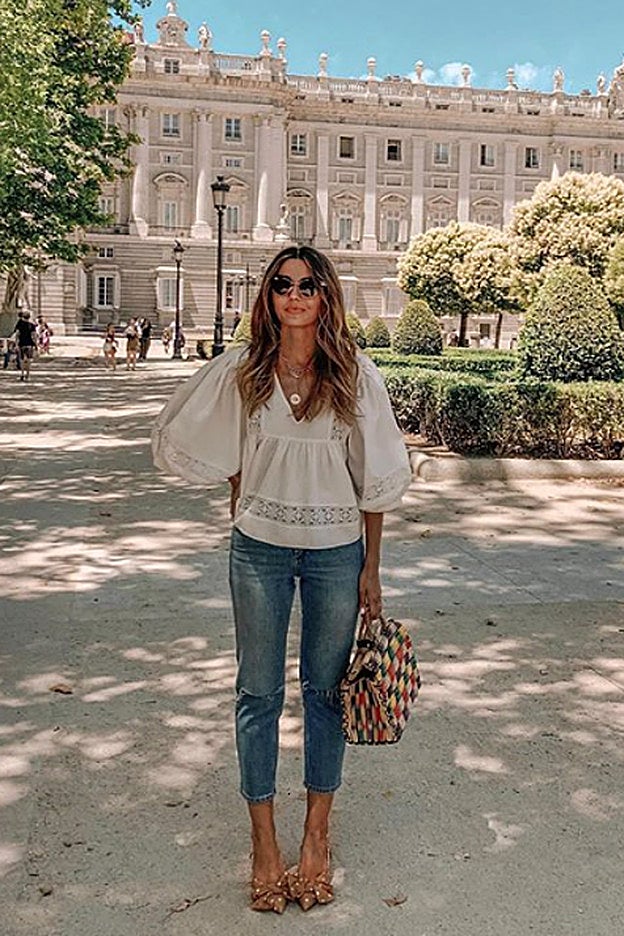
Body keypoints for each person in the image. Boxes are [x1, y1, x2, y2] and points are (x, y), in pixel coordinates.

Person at [152, 246, 411, 914]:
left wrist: (372, 570)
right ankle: (264, 842)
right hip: (260, 551)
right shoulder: (243, 371)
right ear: (268, 298)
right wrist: (242, 496)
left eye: (308, 285)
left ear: (327, 297)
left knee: (324, 696)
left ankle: (316, 834)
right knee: (257, 693)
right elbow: (217, 446)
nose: (294, 295)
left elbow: (373, 481)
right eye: (282, 286)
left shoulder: (355, 375)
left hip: (335, 554)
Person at [14, 311, 37, 381]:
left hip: (21, 344)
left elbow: (17, 335)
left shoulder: (20, 325)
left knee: (21, 360)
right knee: (28, 360)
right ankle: (28, 375)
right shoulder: (32, 325)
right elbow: (34, 336)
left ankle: (22, 374)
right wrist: (36, 344)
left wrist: (16, 344)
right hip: (29, 344)